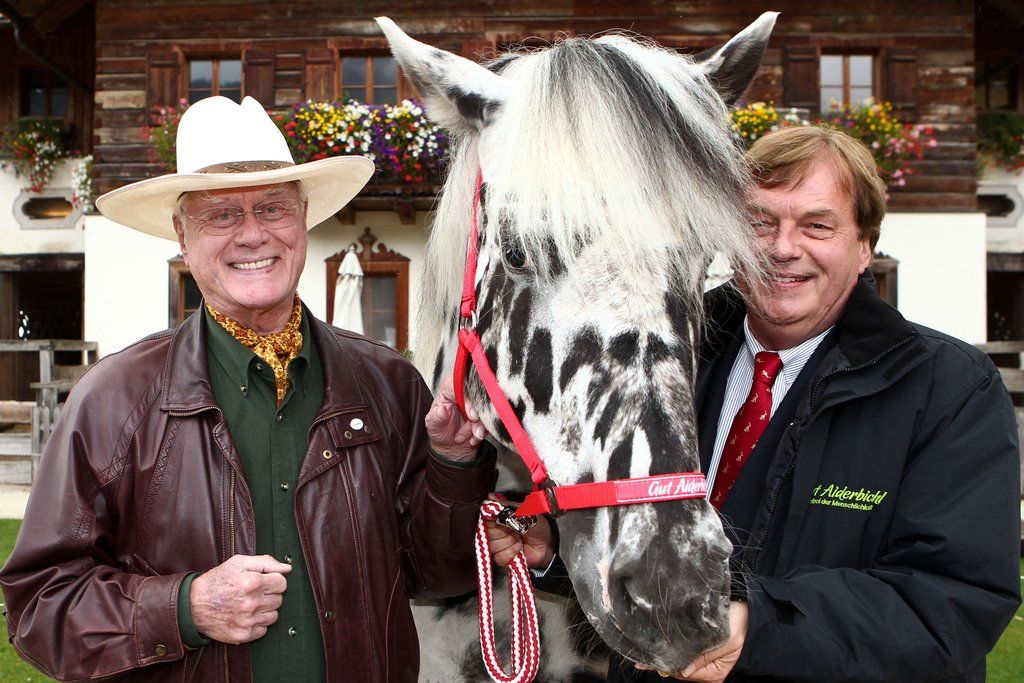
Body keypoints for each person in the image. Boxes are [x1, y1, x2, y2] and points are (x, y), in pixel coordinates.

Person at [490, 125, 1022, 682]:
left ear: (865, 247)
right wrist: (555, 552)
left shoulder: (949, 388)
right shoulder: (660, 364)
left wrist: (756, 627)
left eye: (817, 225)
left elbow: (952, 602)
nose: (782, 248)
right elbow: (643, 534)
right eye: (759, 223)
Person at [0, 95, 495, 682]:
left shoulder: (389, 384)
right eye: (221, 216)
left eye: (272, 208)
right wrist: (184, 608)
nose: (253, 235)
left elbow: (440, 573)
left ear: (303, 219)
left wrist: (454, 464)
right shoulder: (112, 401)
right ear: (183, 236)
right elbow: (40, 608)